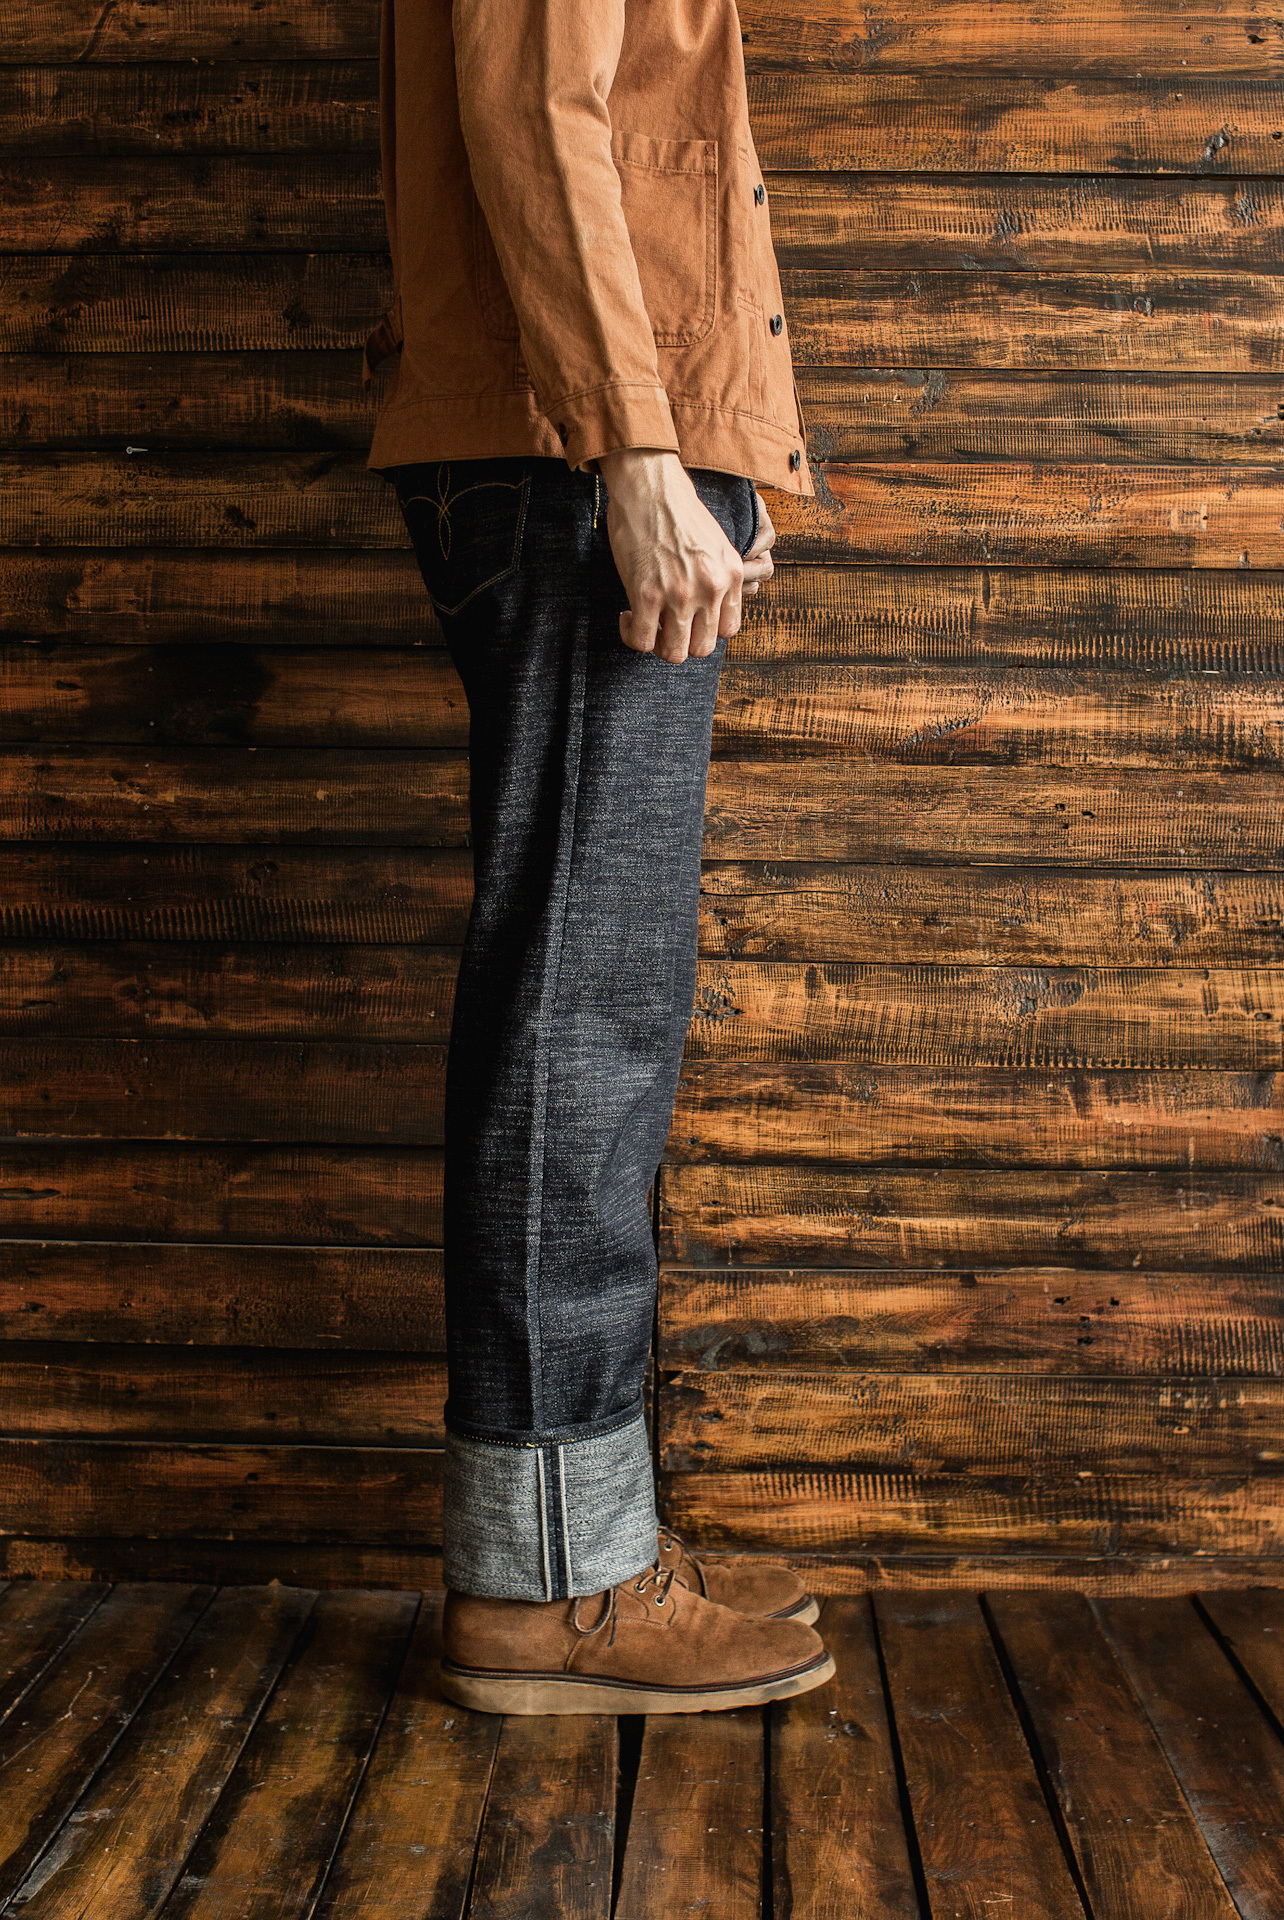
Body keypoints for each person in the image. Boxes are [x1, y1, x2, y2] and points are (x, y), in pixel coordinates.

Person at [364, 0, 835, 1713]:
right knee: (584, 1012)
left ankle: (587, 1540)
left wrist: (695, 442)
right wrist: (639, 451)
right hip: (577, 454)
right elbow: (529, 107)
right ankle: (551, 1579)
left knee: (597, 996)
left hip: (597, 439)